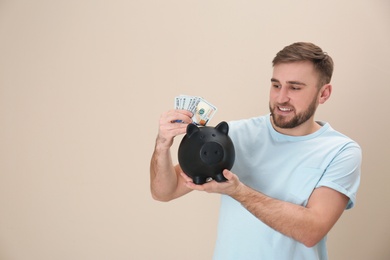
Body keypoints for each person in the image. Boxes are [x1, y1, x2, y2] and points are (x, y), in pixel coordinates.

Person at [150, 42, 361, 260]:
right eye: (276, 85)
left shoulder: (341, 151)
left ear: (324, 93)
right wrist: (162, 145)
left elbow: (311, 231)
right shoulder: (233, 135)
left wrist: (238, 191)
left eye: (295, 88)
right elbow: (165, 191)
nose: (281, 98)